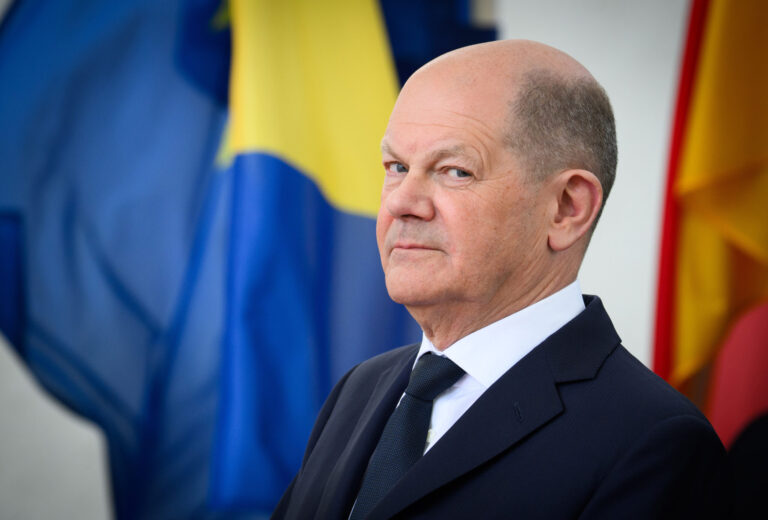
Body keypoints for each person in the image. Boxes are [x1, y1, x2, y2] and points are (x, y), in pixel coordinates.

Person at [272, 40, 730, 519]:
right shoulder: (360, 389)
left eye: (455, 171)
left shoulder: (654, 443)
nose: (401, 203)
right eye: (397, 167)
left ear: (566, 208)